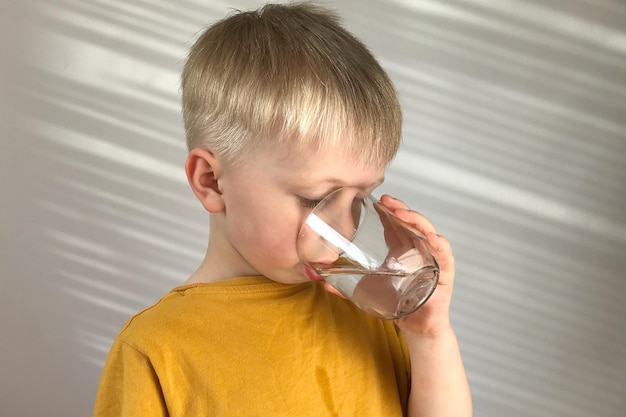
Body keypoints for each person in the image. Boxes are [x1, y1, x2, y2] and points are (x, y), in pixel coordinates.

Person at [92, 2, 472, 416]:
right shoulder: (157, 347)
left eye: (359, 198)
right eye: (315, 199)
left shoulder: (370, 309)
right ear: (211, 181)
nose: (344, 229)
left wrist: (430, 335)